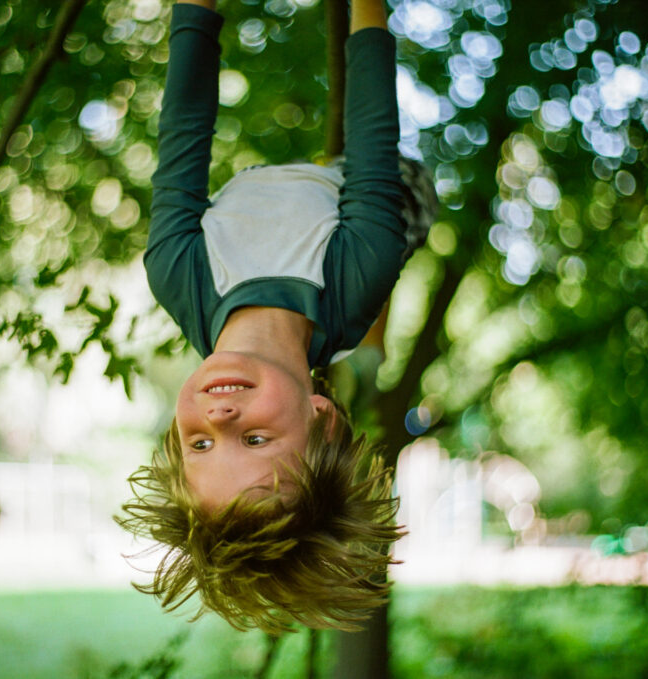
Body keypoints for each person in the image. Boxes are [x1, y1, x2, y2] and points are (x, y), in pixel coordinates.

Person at [118, 0, 437, 634]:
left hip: (278, 194)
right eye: (255, 441)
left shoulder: (177, 272)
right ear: (321, 419)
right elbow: (374, 131)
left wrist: (196, 12)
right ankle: (361, 348)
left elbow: (183, 127)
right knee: (397, 209)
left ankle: (358, 355)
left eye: (200, 444)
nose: (219, 416)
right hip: (385, 193)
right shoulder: (358, 268)